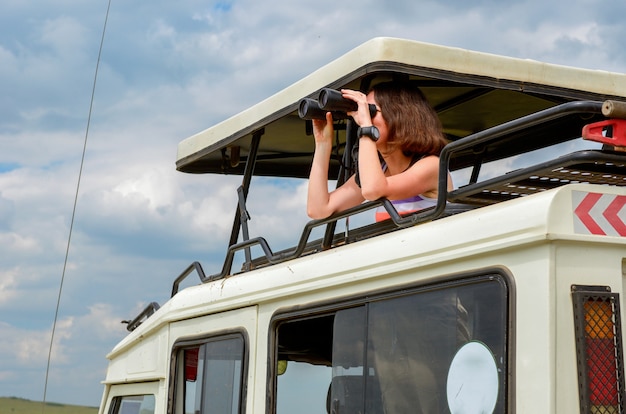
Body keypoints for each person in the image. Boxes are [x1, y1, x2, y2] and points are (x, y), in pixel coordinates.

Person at [307, 81, 451, 222]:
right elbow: (318, 209)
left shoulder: (432, 166)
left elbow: (373, 190)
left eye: (371, 111)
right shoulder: (377, 173)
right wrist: (323, 144)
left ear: (399, 115)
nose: (364, 118)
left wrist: (366, 127)